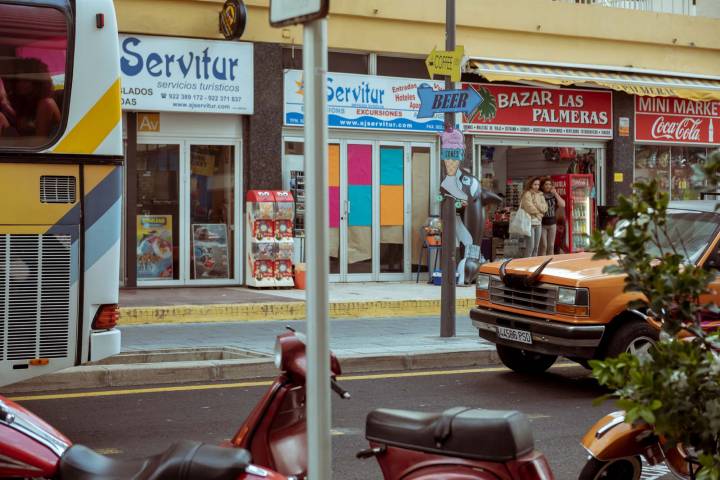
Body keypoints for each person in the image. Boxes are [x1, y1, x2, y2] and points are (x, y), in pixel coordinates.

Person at [7, 58, 61, 138]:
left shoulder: (46, 104)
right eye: (18, 80)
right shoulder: (26, 101)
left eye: (26, 80)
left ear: (38, 83)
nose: (20, 84)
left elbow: (40, 141)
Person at [519, 176, 547, 257]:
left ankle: (533, 265)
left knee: (536, 247)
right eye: (535, 184)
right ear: (530, 184)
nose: (537, 186)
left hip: (538, 222)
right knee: (530, 247)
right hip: (529, 223)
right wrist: (538, 213)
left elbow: (545, 207)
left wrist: (538, 210)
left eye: (538, 184)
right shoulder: (527, 194)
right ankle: (526, 266)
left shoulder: (540, 194)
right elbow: (529, 207)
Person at [538, 177, 565, 256]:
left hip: (552, 223)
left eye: (550, 184)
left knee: (551, 246)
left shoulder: (553, 195)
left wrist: (555, 193)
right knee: (543, 246)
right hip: (542, 223)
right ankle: (541, 263)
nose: (548, 186)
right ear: (542, 186)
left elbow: (563, 204)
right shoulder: (539, 195)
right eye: (546, 184)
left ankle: (550, 264)